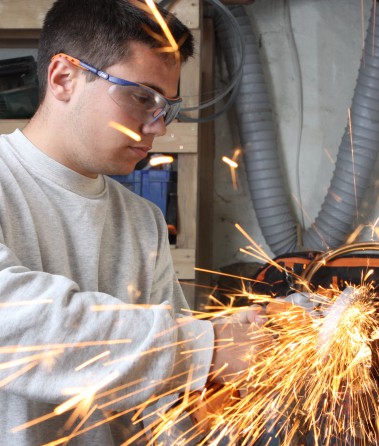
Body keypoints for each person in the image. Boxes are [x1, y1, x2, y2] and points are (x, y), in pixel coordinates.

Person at [0, 0, 264, 444]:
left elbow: (164, 391)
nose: (158, 127)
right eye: (142, 98)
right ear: (63, 78)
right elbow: (13, 322)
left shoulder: (143, 220)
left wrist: (224, 383)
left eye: (167, 108)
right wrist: (209, 346)